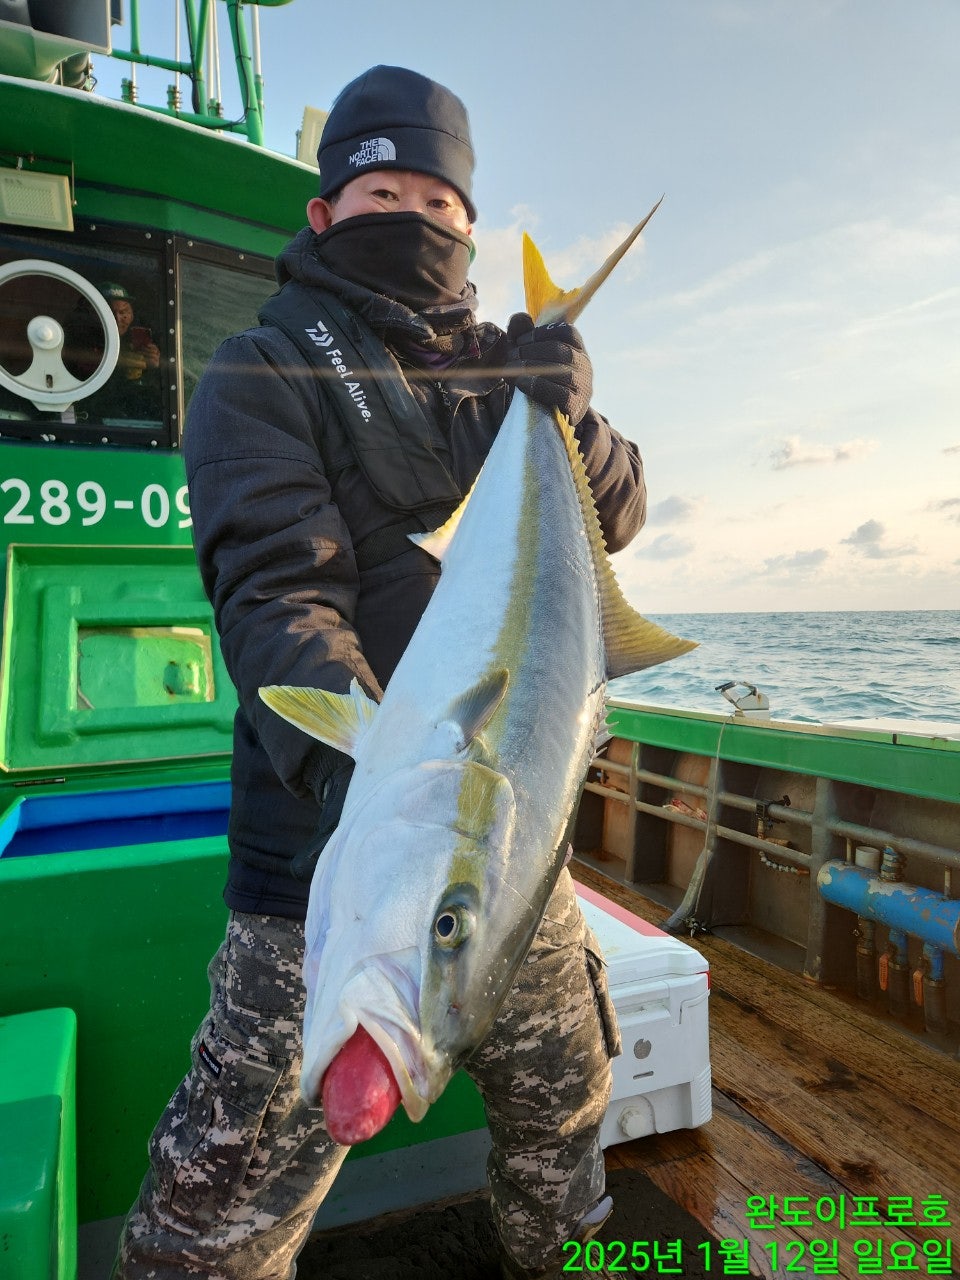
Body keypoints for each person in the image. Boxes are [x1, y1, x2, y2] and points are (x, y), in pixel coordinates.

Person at [113, 64, 647, 1280]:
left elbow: (615, 521)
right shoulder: (261, 370)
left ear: (469, 217)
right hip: (332, 856)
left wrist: (582, 420)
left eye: (440, 197)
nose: (415, 214)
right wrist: (360, 762)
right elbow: (276, 583)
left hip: (510, 853)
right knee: (213, 1228)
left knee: (567, 1120)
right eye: (381, 188)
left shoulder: (505, 370)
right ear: (324, 213)